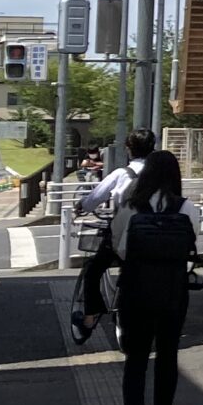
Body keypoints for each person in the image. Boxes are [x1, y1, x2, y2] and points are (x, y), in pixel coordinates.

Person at [109, 148, 199, 405]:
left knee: (136, 358)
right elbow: (191, 246)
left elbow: (120, 247)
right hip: (173, 291)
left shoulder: (131, 207)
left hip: (137, 291)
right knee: (167, 355)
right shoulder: (186, 207)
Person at [72, 130, 154, 345]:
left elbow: (95, 198)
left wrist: (81, 206)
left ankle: (90, 317)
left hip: (124, 234)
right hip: (156, 235)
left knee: (93, 270)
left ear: (128, 149)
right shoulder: (160, 173)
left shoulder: (121, 174)